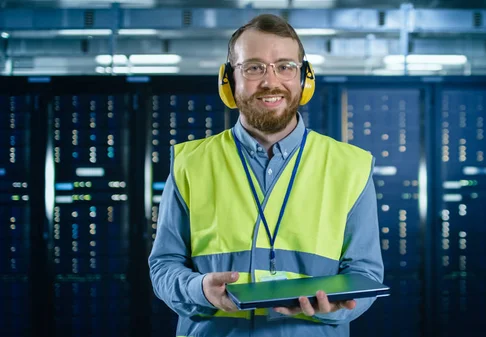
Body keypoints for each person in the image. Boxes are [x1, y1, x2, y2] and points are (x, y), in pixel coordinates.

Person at [149, 13, 384, 337]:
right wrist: (199, 288)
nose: (271, 81)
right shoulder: (191, 163)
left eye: (285, 66)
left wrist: (335, 308)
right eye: (254, 67)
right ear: (228, 80)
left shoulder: (350, 166)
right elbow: (163, 266)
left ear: (305, 78)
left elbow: (364, 272)